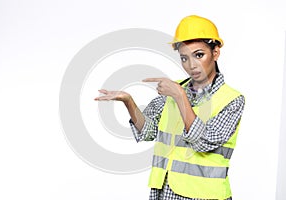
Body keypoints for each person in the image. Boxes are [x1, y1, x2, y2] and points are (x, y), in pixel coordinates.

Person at [95, 15, 245, 200]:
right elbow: (147, 131)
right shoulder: (174, 89)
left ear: (215, 52)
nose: (191, 65)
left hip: (205, 196)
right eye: (184, 58)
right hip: (164, 192)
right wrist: (129, 101)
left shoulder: (231, 99)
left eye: (199, 55)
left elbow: (204, 142)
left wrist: (180, 96)